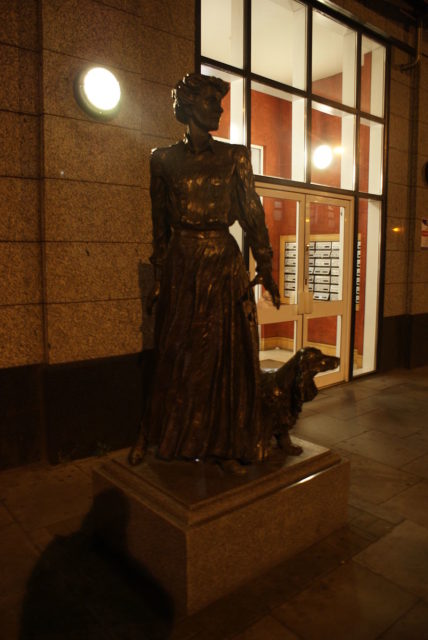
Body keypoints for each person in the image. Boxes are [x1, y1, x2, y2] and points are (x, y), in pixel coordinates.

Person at [129, 73, 280, 472]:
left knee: (224, 352)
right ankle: (163, 433)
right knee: (176, 351)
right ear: (190, 106)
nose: (220, 109)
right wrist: (160, 278)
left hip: (222, 261)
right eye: (212, 101)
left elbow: (252, 215)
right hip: (181, 261)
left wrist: (266, 265)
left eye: (219, 101)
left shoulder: (235, 156)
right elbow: (159, 225)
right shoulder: (162, 159)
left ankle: (227, 440)